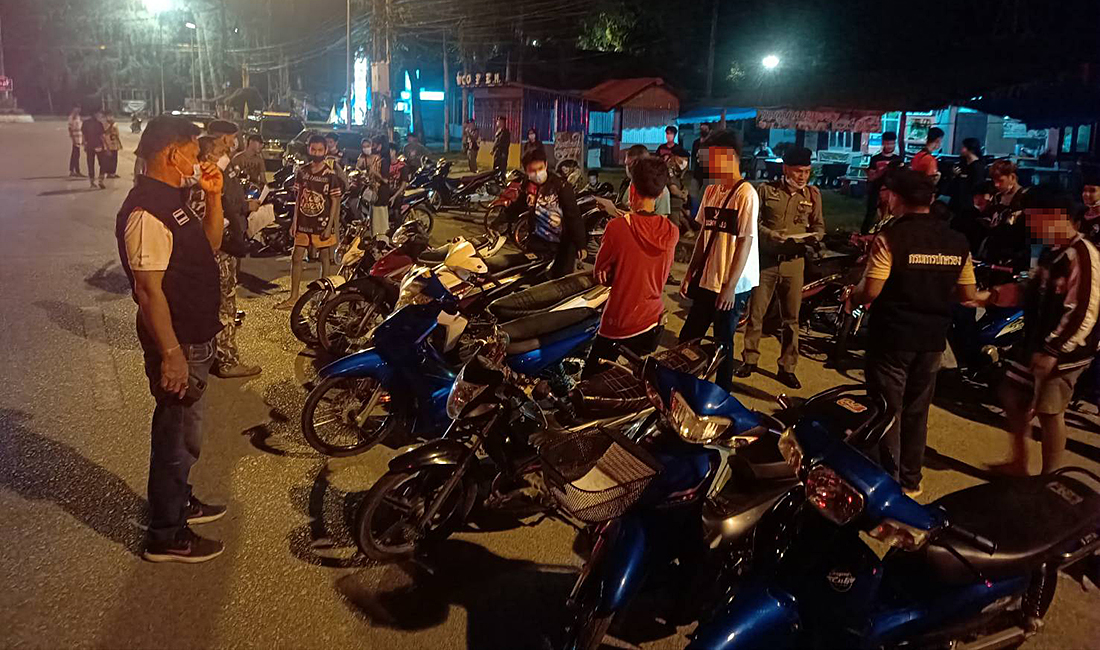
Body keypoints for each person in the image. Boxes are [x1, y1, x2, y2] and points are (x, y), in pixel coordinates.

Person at [115, 115, 227, 562]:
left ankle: (178, 500)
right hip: (179, 342)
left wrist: (214, 198)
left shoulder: (175, 199)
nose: (199, 161)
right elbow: (147, 290)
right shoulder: (146, 211)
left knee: (187, 433)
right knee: (175, 437)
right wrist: (171, 353)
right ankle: (166, 534)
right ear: (172, 153)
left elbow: (210, 246)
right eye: (194, 153)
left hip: (195, 336)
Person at [846, 168, 977, 496]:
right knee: (917, 411)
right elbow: (967, 294)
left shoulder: (891, 238)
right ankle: (910, 480)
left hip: (893, 337)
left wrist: (852, 296)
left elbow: (871, 290)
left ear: (896, 198)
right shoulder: (958, 241)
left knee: (888, 409)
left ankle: (888, 482)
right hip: (933, 339)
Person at [985, 185, 1100, 475]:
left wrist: (1053, 350)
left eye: (1035, 219)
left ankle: (1050, 478)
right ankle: (1019, 463)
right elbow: (1032, 290)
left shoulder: (1082, 254)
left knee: (1050, 411)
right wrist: (992, 296)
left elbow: (1085, 310)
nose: (1031, 226)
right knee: (1012, 393)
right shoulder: (1052, 254)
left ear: (1057, 216)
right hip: (1038, 342)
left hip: (1066, 350)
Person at [678, 130, 759, 391]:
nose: (708, 164)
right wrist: (691, 271)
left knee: (723, 343)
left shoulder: (746, 194)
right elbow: (704, 235)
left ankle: (721, 394)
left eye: (712, 158)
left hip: (731, 283)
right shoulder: (712, 191)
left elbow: (745, 242)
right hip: (707, 278)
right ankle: (684, 387)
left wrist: (730, 287)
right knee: (688, 338)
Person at [737, 146, 824, 389]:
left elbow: (819, 226)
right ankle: (750, 360)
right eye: (798, 171)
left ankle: (787, 367)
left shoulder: (813, 195)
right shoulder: (766, 190)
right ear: (786, 169)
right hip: (767, 262)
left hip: (794, 264)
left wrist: (814, 237)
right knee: (756, 314)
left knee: (791, 319)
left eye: (806, 171)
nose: (803, 176)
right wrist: (769, 235)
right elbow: (753, 222)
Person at [584, 156, 679, 377]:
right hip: (653, 321)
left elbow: (600, 274)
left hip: (619, 322)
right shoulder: (671, 232)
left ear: (632, 189)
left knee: (589, 380)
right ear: (661, 194)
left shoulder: (616, 228)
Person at [203, 121, 262, 379]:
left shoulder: (211, 166)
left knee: (213, 303)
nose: (233, 144)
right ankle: (227, 361)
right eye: (231, 138)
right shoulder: (215, 169)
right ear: (225, 139)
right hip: (221, 246)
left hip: (216, 244)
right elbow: (227, 201)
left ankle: (208, 355)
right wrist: (247, 206)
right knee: (225, 305)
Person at [275, 135, 345, 309]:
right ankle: (293, 297)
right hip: (303, 223)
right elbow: (299, 197)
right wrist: (294, 222)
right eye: (313, 149)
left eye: (320, 150)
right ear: (308, 149)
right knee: (296, 257)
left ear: (326, 150)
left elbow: (335, 202)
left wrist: (330, 226)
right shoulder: (303, 172)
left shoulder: (331, 175)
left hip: (322, 223)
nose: (317, 153)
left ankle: (324, 297)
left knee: (324, 258)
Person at [499, 146, 585, 278]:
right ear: (526, 170)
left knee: (557, 282)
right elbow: (518, 206)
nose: (537, 173)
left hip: (562, 246)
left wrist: (581, 245)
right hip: (537, 242)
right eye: (532, 170)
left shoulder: (561, 186)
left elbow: (574, 217)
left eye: (540, 168)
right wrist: (500, 221)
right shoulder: (527, 185)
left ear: (545, 165)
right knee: (531, 278)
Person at [979, 159, 1031, 270]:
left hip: (1015, 251)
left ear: (1012, 177)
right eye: (994, 181)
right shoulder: (996, 198)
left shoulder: (1025, 198)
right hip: (994, 249)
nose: (996, 185)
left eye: (1001, 180)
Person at [862, 131, 901, 234]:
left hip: (892, 192)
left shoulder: (897, 159)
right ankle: (864, 233)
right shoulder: (876, 159)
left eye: (892, 143)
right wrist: (881, 171)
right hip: (876, 190)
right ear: (883, 143)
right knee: (871, 213)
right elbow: (871, 177)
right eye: (888, 143)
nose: (890, 146)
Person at [689, 122, 713, 217]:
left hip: (708, 174)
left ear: (710, 131)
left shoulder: (712, 143)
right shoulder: (696, 143)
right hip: (697, 173)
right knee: (694, 196)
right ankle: (694, 216)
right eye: (701, 129)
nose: (703, 131)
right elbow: (694, 158)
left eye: (705, 129)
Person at [82, 108, 107, 189]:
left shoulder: (85, 123)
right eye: (99, 114)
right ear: (95, 114)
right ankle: (101, 180)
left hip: (89, 146)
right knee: (102, 163)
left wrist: (84, 145)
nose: (100, 115)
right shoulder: (99, 124)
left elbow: (83, 135)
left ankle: (92, 182)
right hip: (98, 145)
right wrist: (106, 146)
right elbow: (102, 136)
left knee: (90, 163)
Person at [102, 110, 123, 179]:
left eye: (111, 115)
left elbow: (117, 135)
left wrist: (119, 144)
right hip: (108, 145)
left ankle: (112, 173)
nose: (110, 117)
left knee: (114, 159)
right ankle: (109, 173)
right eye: (109, 115)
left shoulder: (114, 124)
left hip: (114, 144)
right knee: (109, 159)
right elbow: (104, 133)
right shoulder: (105, 124)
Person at [68, 105, 83, 177]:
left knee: (77, 154)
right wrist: (73, 138)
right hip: (75, 138)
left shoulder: (78, 117)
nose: (79, 110)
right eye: (77, 108)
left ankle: (76, 170)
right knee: (75, 155)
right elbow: (70, 129)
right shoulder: (72, 117)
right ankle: (73, 170)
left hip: (79, 138)